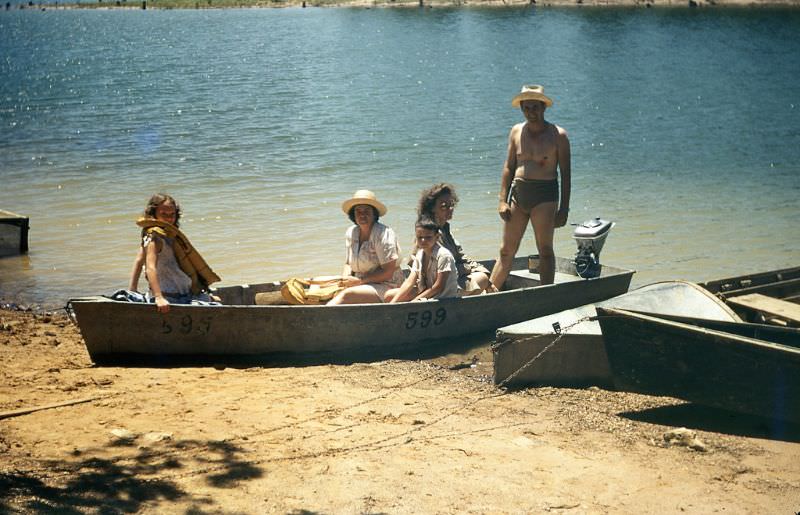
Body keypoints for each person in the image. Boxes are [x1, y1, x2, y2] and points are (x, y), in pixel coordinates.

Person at [489, 84, 571, 289]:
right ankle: (488, 294)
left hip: (545, 196)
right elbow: (508, 167)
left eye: (535, 107)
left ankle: (545, 295)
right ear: (521, 108)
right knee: (506, 250)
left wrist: (564, 209)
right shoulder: (516, 131)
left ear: (544, 108)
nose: (531, 112)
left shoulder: (558, 135)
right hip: (518, 194)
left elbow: (566, 175)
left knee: (544, 250)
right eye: (526, 108)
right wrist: (502, 200)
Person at [135, 193, 221, 313]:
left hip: (184, 291)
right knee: (215, 307)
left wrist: (133, 288)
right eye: (163, 214)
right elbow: (149, 267)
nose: (169, 218)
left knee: (217, 301)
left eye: (172, 215)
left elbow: (138, 261)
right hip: (170, 295)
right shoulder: (154, 238)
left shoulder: (170, 234)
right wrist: (158, 297)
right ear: (153, 214)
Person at [327, 190, 404, 305]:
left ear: (374, 214)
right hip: (360, 283)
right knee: (325, 288)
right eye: (358, 211)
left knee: (347, 295)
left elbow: (388, 272)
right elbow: (348, 263)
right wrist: (345, 279)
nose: (362, 215)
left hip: (387, 285)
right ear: (353, 215)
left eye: (367, 211)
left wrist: (359, 281)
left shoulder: (383, 234)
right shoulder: (351, 232)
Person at [417, 183, 492, 295]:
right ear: (432, 208)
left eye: (451, 205)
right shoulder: (429, 233)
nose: (450, 209)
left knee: (484, 276)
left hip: (449, 278)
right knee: (483, 278)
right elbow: (446, 269)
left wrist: (482, 271)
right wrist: (469, 269)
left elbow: (462, 257)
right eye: (444, 206)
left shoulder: (445, 229)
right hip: (437, 284)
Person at [386, 216, 459, 303]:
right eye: (420, 237)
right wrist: (393, 303)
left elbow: (438, 287)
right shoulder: (420, 254)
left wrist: (415, 301)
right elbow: (409, 282)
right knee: (389, 296)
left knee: (413, 302)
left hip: (443, 298)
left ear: (437, 237)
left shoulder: (443, 255)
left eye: (428, 237)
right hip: (427, 294)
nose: (423, 240)